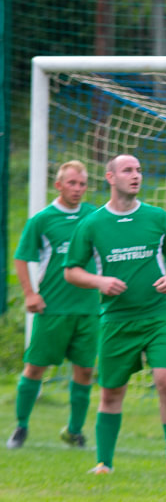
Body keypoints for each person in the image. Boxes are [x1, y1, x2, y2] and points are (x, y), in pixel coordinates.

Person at [64, 154, 166, 476]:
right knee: (111, 393)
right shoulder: (92, 223)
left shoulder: (157, 217)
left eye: (138, 170)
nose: (136, 175)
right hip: (116, 321)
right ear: (111, 177)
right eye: (127, 170)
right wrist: (100, 281)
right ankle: (104, 464)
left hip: (159, 316)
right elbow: (71, 271)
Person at [7, 160, 100, 450]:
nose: (77, 189)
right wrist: (30, 294)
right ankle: (21, 427)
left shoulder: (95, 215)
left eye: (82, 184)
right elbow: (22, 257)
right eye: (71, 183)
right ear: (58, 185)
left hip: (89, 309)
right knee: (35, 368)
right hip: (53, 308)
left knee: (85, 370)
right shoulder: (43, 220)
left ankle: (74, 431)